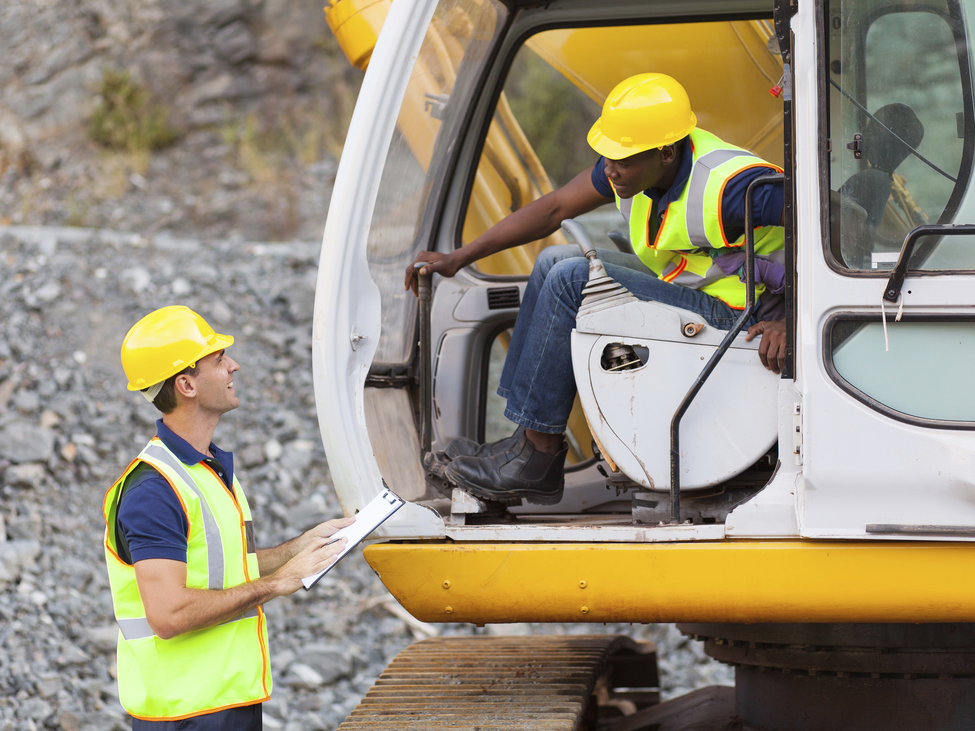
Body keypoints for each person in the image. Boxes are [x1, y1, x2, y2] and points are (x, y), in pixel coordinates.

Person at [404, 73, 787, 506]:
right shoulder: (639, 166)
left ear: (665, 151)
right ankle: (525, 443)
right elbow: (554, 209)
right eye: (605, 156)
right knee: (555, 260)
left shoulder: (733, 188)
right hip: (697, 295)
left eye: (621, 159)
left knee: (572, 280)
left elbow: (839, 219)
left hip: (743, 317)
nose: (609, 169)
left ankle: (538, 459)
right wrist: (460, 256)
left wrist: (790, 321)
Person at [103, 305, 353, 729]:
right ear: (186, 384)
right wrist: (280, 583)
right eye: (219, 360)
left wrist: (303, 545)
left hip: (224, 703)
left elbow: (225, 569)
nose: (234, 365)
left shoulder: (205, 470)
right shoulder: (154, 491)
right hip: (185, 715)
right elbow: (169, 615)